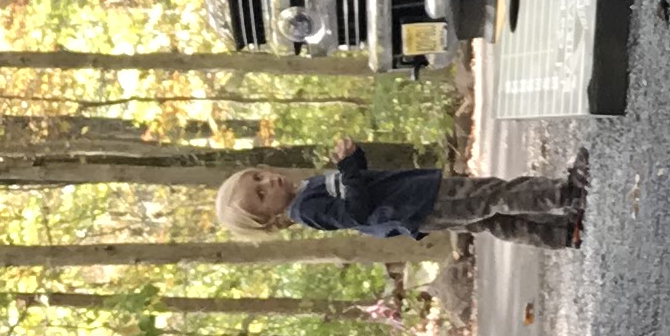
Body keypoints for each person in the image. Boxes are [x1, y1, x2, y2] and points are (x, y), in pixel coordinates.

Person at [216, 143, 589, 249]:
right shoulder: (307, 210)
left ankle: (561, 233)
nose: (268, 183)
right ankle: (564, 193)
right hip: (417, 202)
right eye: (261, 195)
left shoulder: (306, 190)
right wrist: (347, 169)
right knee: (492, 195)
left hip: (412, 203)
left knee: (489, 218)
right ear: (269, 218)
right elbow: (356, 211)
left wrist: (352, 159)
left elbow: (358, 183)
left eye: (259, 177)